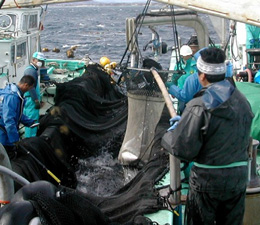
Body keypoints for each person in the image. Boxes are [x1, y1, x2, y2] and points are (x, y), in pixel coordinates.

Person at [162, 47, 254, 225]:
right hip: (238, 178)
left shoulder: (198, 105)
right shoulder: (242, 101)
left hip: (207, 181)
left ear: (202, 75)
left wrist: (169, 134)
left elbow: (182, 149)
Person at [0, 75, 36, 157]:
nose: (29, 90)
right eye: (30, 88)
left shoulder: (14, 92)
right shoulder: (12, 97)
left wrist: (30, 122)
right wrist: (15, 139)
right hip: (3, 136)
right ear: (26, 85)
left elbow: (16, 114)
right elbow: (8, 120)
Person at [23, 51, 46, 138]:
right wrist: (36, 101)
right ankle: (30, 140)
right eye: (39, 60)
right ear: (33, 60)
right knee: (31, 121)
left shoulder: (31, 70)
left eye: (42, 61)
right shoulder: (31, 71)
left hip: (29, 99)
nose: (41, 62)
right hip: (31, 100)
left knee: (29, 120)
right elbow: (31, 87)